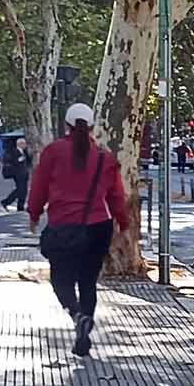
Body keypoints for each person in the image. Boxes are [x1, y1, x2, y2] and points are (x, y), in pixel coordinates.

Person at [29, 103, 130, 357]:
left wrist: (34, 213)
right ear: (93, 127)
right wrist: (124, 223)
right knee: (88, 282)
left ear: (67, 126)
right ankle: (84, 323)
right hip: (98, 227)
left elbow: (39, 185)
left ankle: (77, 316)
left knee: (60, 280)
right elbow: (116, 196)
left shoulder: (53, 152)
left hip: (63, 225)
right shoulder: (105, 158)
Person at [0, 137, 31, 210]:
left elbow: (28, 161)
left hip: (24, 173)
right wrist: (20, 159)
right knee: (20, 189)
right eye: (24, 144)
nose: (25, 145)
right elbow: (13, 161)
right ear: (20, 144)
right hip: (17, 173)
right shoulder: (14, 151)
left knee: (24, 191)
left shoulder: (24, 151)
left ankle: (20, 206)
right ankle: (6, 201)